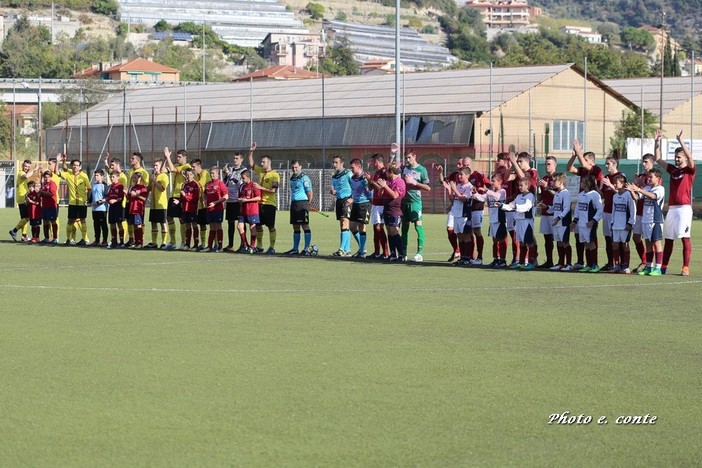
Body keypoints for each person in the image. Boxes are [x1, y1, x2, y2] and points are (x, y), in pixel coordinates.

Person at [655, 130, 696, 276]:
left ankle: (685, 267)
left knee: (684, 238)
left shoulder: (690, 170)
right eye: (675, 157)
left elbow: (690, 156)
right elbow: (658, 159)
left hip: (684, 209)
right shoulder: (673, 170)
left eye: (679, 157)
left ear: (685, 158)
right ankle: (664, 266)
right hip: (672, 209)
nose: (676, 160)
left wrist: (680, 141)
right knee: (669, 239)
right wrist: (657, 142)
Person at [567, 139, 604, 269]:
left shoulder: (595, 170)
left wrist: (578, 152)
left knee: (591, 239)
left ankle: (594, 264)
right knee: (580, 237)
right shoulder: (583, 171)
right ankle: (582, 262)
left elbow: (585, 164)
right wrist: (573, 155)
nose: (583, 163)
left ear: (592, 161)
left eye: (586, 160)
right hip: (582, 207)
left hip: (591, 209)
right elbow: (569, 168)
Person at [629, 168, 666, 276]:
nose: (648, 179)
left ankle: (658, 268)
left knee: (657, 243)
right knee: (648, 243)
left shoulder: (660, 189)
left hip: (655, 220)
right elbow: (637, 198)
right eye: (648, 177)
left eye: (651, 177)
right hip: (646, 219)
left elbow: (653, 196)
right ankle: (649, 267)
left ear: (658, 178)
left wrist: (639, 189)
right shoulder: (647, 187)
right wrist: (631, 190)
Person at [504, 151, 539, 266]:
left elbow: (524, 178)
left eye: (520, 161)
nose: (518, 163)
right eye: (517, 161)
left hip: (528, 206)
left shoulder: (532, 172)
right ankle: (522, 260)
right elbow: (506, 177)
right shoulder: (517, 170)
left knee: (528, 235)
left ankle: (533, 258)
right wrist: (512, 165)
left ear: (527, 161)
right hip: (518, 204)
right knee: (521, 236)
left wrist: (514, 162)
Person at [498, 177, 537, 270]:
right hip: (518, 221)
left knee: (529, 242)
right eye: (519, 185)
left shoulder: (530, 196)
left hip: (526, 221)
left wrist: (515, 206)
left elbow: (526, 207)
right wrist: (502, 205)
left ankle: (532, 262)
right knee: (522, 242)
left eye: (521, 185)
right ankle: (521, 262)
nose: (520, 187)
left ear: (527, 185)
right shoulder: (519, 196)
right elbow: (511, 205)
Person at [247, 143, 280, 254]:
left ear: (269, 162)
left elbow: (274, 191)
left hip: (269, 204)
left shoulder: (275, 175)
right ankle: (260, 246)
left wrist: (261, 187)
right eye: (261, 162)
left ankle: (272, 247)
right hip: (259, 204)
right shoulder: (261, 171)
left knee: (271, 226)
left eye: (263, 162)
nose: (261, 164)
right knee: (258, 226)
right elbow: (251, 164)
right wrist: (251, 152)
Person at [401, 149, 431, 262]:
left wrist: (415, 183)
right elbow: (392, 169)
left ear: (414, 156)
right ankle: (403, 253)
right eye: (406, 158)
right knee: (404, 228)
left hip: (415, 202)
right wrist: (392, 155)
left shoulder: (422, 170)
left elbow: (428, 187)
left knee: (418, 226)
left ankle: (420, 253)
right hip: (404, 202)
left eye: (409, 157)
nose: (408, 160)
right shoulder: (404, 168)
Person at [570, 175, 603, 273]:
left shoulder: (595, 195)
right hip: (581, 224)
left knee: (591, 243)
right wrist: (575, 221)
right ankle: (588, 264)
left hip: (590, 224)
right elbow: (577, 209)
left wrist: (593, 221)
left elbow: (600, 210)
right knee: (586, 244)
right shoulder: (580, 194)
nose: (581, 183)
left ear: (588, 183)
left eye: (583, 181)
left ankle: (595, 265)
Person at [599, 153, 626, 272]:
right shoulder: (605, 177)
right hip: (606, 212)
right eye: (605, 163)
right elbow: (603, 194)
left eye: (608, 163)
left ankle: (621, 263)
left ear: (614, 164)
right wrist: (597, 187)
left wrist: (610, 185)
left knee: (618, 240)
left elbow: (622, 192)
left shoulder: (621, 176)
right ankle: (611, 263)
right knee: (608, 239)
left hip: (617, 214)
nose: (606, 165)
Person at [474, 174, 508, 268]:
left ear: (499, 182)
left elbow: (497, 197)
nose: (492, 183)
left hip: (500, 219)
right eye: (491, 181)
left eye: (494, 181)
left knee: (501, 240)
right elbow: (482, 198)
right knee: (494, 240)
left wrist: (486, 190)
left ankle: (503, 260)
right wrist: (474, 194)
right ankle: (496, 259)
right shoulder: (490, 192)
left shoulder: (502, 191)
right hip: (492, 220)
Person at [435, 157, 465, 261]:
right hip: (454, 206)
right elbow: (442, 182)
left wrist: (452, 190)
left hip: (463, 208)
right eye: (457, 163)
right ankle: (457, 250)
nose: (457, 166)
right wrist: (440, 173)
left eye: (459, 164)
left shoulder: (467, 178)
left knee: (464, 233)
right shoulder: (454, 175)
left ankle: (468, 256)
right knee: (449, 228)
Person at [57, 154, 91, 245]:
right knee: (70, 220)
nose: (75, 167)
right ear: (71, 166)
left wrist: (88, 199)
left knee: (82, 220)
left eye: (77, 165)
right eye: (74, 165)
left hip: (82, 202)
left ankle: (84, 239)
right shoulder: (68, 174)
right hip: (72, 203)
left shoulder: (84, 176)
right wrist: (59, 161)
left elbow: (89, 188)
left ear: (80, 167)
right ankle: (69, 239)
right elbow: (58, 172)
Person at [542, 173, 572, 271]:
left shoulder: (566, 193)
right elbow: (555, 208)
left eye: (555, 181)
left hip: (563, 222)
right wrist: (547, 207)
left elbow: (566, 208)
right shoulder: (557, 193)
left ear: (561, 182)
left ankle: (568, 264)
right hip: (556, 222)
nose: (553, 182)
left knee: (565, 242)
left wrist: (558, 218)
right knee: (559, 242)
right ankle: (560, 263)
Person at [377, 163, 407, 261]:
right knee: (389, 231)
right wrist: (381, 187)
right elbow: (381, 196)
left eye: (387, 171)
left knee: (394, 230)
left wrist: (385, 186)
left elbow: (395, 195)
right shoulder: (388, 181)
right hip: (387, 209)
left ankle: (402, 255)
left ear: (391, 172)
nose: (385, 173)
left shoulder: (400, 182)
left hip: (396, 210)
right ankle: (393, 253)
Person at [631, 153, 656, 272]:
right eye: (643, 162)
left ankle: (652, 264)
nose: (644, 164)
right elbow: (637, 194)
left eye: (646, 162)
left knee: (651, 240)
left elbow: (652, 192)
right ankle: (644, 261)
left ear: (652, 162)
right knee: (636, 237)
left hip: (650, 213)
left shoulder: (656, 176)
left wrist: (640, 183)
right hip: (639, 211)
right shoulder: (641, 176)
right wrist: (631, 187)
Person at [444, 169, 474, 266]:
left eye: (462, 175)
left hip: (464, 215)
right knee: (460, 237)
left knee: (466, 236)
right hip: (456, 214)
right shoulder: (458, 185)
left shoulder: (469, 186)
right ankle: (462, 257)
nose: (459, 176)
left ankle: (467, 258)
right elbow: (453, 199)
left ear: (467, 175)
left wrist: (454, 189)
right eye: (459, 175)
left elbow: (463, 199)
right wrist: (449, 189)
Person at [164, 147, 191, 249]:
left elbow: (172, 169)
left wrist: (168, 157)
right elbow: (164, 169)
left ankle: (184, 242)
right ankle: (173, 242)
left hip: (181, 195)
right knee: (169, 217)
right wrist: (165, 158)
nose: (178, 159)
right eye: (177, 157)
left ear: (185, 157)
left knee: (182, 218)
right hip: (173, 195)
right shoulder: (175, 165)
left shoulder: (186, 167)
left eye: (179, 157)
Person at [285, 160, 314, 255]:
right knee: (295, 226)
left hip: (302, 204)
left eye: (296, 167)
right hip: (294, 204)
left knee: (305, 225)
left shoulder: (304, 178)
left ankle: (306, 248)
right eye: (293, 167)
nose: (294, 169)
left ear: (300, 166)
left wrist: (308, 204)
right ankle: (295, 248)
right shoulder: (292, 178)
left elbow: (309, 192)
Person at [609, 174, 636, 274]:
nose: (614, 184)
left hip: (625, 225)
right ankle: (616, 265)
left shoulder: (628, 195)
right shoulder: (615, 196)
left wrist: (630, 223)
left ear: (623, 183)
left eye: (616, 183)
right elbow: (613, 210)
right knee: (615, 244)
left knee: (625, 245)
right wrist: (612, 222)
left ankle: (626, 266)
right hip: (616, 225)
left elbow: (633, 209)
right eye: (614, 182)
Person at [466, 157, 491, 265]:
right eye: (464, 165)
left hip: (477, 207)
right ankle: (471, 256)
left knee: (477, 231)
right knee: (469, 231)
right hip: (467, 207)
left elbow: (490, 186)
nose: (465, 166)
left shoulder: (479, 175)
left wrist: (484, 192)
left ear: (472, 164)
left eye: (467, 165)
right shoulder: (462, 176)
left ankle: (480, 257)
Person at [365, 153, 389, 259]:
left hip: (381, 204)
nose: (371, 164)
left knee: (380, 227)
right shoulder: (377, 172)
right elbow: (372, 187)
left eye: (372, 162)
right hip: (375, 203)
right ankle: (376, 252)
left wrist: (371, 180)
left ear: (376, 161)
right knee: (376, 227)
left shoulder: (384, 172)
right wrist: (369, 182)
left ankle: (386, 252)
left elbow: (381, 187)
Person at [223, 151, 247, 252]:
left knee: (241, 223)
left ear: (241, 159)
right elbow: (225, 184)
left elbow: (241, 184)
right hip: (230, 200)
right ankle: (230, 244)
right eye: (234, 158)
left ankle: (243, 244)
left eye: (237, 158)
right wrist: (226, 175)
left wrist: (231, 176)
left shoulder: (244, 170)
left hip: (239, 200)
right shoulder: (231, 169)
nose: (235, 160)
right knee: (230, 223)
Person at [537, 156, 557, 268]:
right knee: (547, 238)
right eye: (545, 164)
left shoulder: (557, 178)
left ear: (555, 165)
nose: (546, 166)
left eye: (549, 164)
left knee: (558, 239)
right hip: (545, 213)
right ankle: (549, 261)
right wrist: (539, 189)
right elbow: (540, 197)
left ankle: (561, 262)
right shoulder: (545, 178)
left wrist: (547, 187)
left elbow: (558, 194)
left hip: (555, 213)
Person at [330, 155, 353, 256]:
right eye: (333, 162)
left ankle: (341, 249)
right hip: (339, 201)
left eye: (336, 162)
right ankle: (347, 249)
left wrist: (352, 198)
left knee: (345, 222)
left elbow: (355, 185)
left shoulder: (348, 173)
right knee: (343, 225)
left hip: (347, 200)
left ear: (342, 163)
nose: (334, 164)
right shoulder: (334, 176)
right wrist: (333, 192)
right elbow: (336, 189)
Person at [9, 159, 37, 242]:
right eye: (25, 166)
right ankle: (14, 231)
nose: (27, 168)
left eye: (28, 167)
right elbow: (26, 176)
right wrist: (34, 170)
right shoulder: (21, 173)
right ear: (22, 166)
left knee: (24, 218)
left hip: (24, 198)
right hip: (23, 198)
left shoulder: (25, 173)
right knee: (27, 217)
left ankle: (24, 236)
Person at [126, 152, 150, 246]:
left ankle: (140, 240)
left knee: (139, 222)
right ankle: (132, 239)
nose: (131, 160)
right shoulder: (131, 170)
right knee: (130, 222)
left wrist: (141, 198)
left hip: (138, 203)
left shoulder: (143, 172)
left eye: (133, 158)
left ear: (138, 160)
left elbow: (146, 187)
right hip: (130, 200)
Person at [349, 158, 372, 258]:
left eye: (353, 168)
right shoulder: (352, 178)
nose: (351, 170)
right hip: (355, 204)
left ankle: (362, 251)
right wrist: (351, 198)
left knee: (362, 227)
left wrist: (372, 201)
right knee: (352, 227)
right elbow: (353, 191)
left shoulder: (364, 178)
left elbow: (370, 192)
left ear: (359, 167)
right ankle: (362, 248)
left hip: (364, 204)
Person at [204, 167, 228, 252]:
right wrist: (204, 200)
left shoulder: (220, 183)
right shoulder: (208, 184)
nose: (212, 175)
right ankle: (209, 246)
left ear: (218, 174)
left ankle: (220, 246)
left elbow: (226, 196)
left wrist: (215, 202)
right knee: (212, 227)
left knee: (218, 226)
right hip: (210, 209)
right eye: (211, 173)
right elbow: (205, 194)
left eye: (214, 173)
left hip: (218, 209)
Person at [147, 159, 170, 249]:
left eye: (156, 165)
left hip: (161, 203)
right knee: (153, 222)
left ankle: (164, 242)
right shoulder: (153, 176)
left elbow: (162, 188)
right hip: (153, 204)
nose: (155, 167)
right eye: (154, 165)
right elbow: (149, 188)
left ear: (161, 166)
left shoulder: (164, 176)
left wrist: (154, 181)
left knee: (162, 223)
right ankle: (154, 242)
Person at [237, 169, 262, 253]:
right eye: (241, 178)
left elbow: (258, 198)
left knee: (252, 228)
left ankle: (252, 246)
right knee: (239, 226)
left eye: (243, 178)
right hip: (243, 210)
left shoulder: (254, 185)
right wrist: (240, 200)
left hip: (252, 210)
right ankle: (245, 244)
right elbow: (240, 197)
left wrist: (247, 200)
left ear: (248, 177)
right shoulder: (242, 186)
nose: (242, 180)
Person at [191, 159, 211, 251]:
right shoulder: (196, 175)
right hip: (199, 204)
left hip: (207, 203)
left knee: (211, 224)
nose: (192, 168)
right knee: (202, 224)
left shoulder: (205, 173)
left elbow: (199, 185)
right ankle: (203, 243)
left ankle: (213, 244)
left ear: (199, 166)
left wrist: (191, 179)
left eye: (194, 167)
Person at [178, 168, 201, 251]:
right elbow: (182, 196)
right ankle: (187, 244)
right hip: (185, 208)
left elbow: (195, 198)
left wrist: (185, 196)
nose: (188, 176)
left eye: (190, 175)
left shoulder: (195, 185)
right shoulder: (184, 184)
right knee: (187, 225)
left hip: (192, 208)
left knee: (194, 225)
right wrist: (179, 201)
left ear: (193, 175)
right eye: (187, 175)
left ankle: (196, 245)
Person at [126, 172, 148, 249]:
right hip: (132, 209)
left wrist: (136, 195)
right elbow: (128, 198)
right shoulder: (132, 187)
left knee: (139, 225)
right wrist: (126, 193)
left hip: (138, 209)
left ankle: (140, 242)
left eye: (135, 177)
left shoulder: (142, 187)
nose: (133, 179)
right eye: (133, 178)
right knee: (135, 226)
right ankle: (136, 242)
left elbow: (144, 198)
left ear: (139, 178)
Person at [106, 171, 126, 249]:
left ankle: (121, 242)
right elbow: (108, 196)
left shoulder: (120, 186)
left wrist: (115, 200)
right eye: (111, 177)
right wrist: (106, 200)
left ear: (118, 177)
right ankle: (114, 241)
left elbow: (121, 197)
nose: (112, 178)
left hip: (118, 207)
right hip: (111, 208)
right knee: (112, 224)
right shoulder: (110, 186)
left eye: (113, 177)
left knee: (119, 224)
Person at [90, 169, 109, 247]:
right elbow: (92, 197)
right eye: (95, 175)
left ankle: (105, 240)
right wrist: (89, 201)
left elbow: (107, 197)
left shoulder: (104, 186)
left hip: (102, 209)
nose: (96, 177)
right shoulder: (94, 185)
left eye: (97, 175)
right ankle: (96, 240)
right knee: (96, 225)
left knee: (103, 224)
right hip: (94, 209)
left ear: (102, 176)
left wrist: (100, 201)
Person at [39, 171, 59, 244]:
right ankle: (46, 238)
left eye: (48, 177)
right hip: (44, 206)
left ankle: (55, 238)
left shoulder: (52, 184)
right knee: (45, 222)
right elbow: (41, 194)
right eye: (45, 177)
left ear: (50, 177)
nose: (46, 178)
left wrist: (41, 192)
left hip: (52, 206)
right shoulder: (44, 184)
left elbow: (51, 193)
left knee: (53, 221)